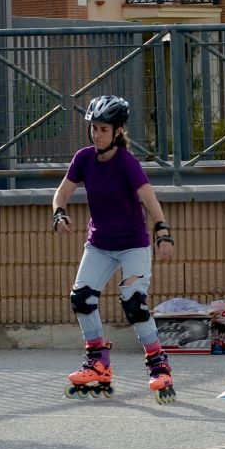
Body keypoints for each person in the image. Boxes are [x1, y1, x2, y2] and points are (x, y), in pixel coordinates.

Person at [50, 95, 180, 402]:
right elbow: (61, 193)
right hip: (99, 244)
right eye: (94, 128)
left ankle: (159, 366)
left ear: (118, 131)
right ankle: (98, 364)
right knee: (81, 298)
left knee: (134, 303)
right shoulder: (83, 159)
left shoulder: (127, 163)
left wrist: (162, 231)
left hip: (133, 245)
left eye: (103, 129)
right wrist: (59, 212)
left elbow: (149, 199)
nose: (97, 134)